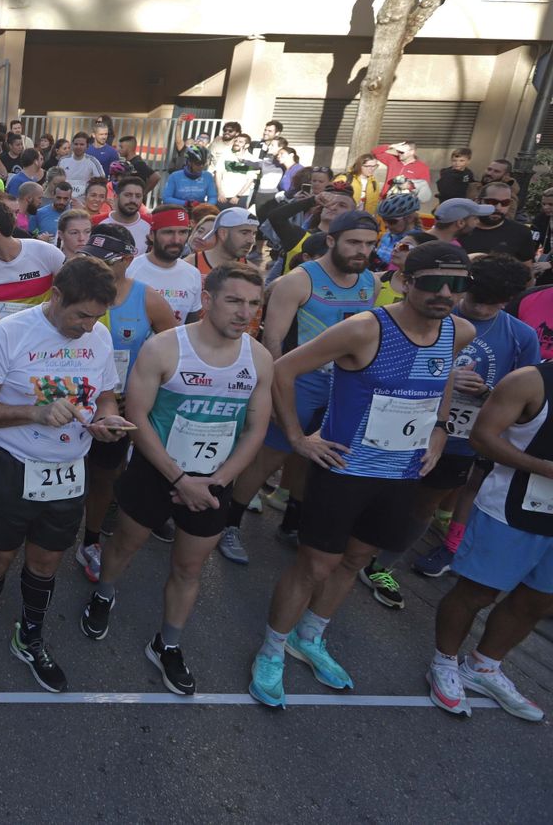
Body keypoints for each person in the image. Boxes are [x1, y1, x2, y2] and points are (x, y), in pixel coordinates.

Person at [248, 241, 475, 708]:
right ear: (406, 282)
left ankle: (310, 637)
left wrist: (438, 428)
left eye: (457, 285)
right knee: (315, 565)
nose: (445, 293)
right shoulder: (365, 329)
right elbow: (285, 369)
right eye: (433, 282)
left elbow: (444, 374)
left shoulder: (460, 330)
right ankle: (272, 649)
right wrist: (297, 437)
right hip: (345, 468)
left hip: (402, 472)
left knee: (355, 561)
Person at [82, 263, 273, 694]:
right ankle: (103, 594)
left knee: (190, 567)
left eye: (253, 304)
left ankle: (167, 644)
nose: (245, 313)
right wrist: (179, 477)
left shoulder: (259, 358)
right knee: (126, 544)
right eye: (234, 301)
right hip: (157, 472)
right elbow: (139, 416)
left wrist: (219, 480)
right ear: (207, 301)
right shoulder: (165, 348)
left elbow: (256, 428)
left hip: (211, 484)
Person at [0, 256, 133, 689]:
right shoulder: (10, 333)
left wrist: (107, 420)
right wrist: (34, 412)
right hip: (13, 465)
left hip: (70, 470)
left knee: (47, 561)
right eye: (82, 315)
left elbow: (106, 394)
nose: (89, 326)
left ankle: (29, 635)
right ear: (56, 297)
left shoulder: (100, 336)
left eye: (98, 316)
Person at [221, 211, 381, 559]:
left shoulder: (370, 281)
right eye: (354, 242)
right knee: (268, 458)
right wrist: (273, 395)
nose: (362, 251)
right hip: (300, 382)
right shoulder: (298, 281)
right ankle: (229, 524)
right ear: (331, 240)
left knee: (315, 456)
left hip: (343, 387)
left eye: (369, 244)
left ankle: (291, 523)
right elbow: (273, 343)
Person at [427, 358, 553, 721]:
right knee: (476, 593)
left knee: (538, 601)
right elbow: (482, 436)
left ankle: (482, 666)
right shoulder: (529, 381)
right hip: (511, 508)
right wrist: (546, 468)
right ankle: (444, 662)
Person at [409, 254, 538, 580]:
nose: (480, 310)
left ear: (508, 301)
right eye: (476, 299)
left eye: (492, 305)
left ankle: (426, 551)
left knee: (429, 499)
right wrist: (448, 378)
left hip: (463, 439)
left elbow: (526, 398)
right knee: (394, 491)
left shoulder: (521, 336)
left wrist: (487, 391)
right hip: (411, 419)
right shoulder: (434, 311)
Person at [74, 226, 179, 580]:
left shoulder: (147, 298)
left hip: (116, 405)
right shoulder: (73, 290)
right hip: (70, 400)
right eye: (89, 256)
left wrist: (143, 396)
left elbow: (172, 348)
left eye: (105, 260)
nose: (94, 265)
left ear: (128, 260)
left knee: (105, 477)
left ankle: (90, 539)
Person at [127, 206, 205, 323]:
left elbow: (191, 327)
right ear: (152, 235)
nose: (176, 240)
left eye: (183, 232)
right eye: (168, 232)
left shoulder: (193, 274)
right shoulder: (130, 270)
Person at [461, 182, 540, 261]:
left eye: (505, 203)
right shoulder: (460, 228)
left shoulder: (521, 232)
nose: (498, 207)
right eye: (492, 202)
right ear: (478, 201)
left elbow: (527, 268)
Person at [94, 176, 152, 253]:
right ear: (116, 197)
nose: (133, 200)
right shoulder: (96, 222)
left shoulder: (151, 224)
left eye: (138, 196)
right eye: (128, 195)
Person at [59, 132, 106, 196]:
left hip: (84, 199)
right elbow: (56, 179)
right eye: (76, 144)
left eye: (82, 144)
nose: (78, 147)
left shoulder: (93, 161)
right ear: (72, 145)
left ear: (87, 146)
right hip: (64, 197)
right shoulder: (63, 160)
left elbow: (102, 180)